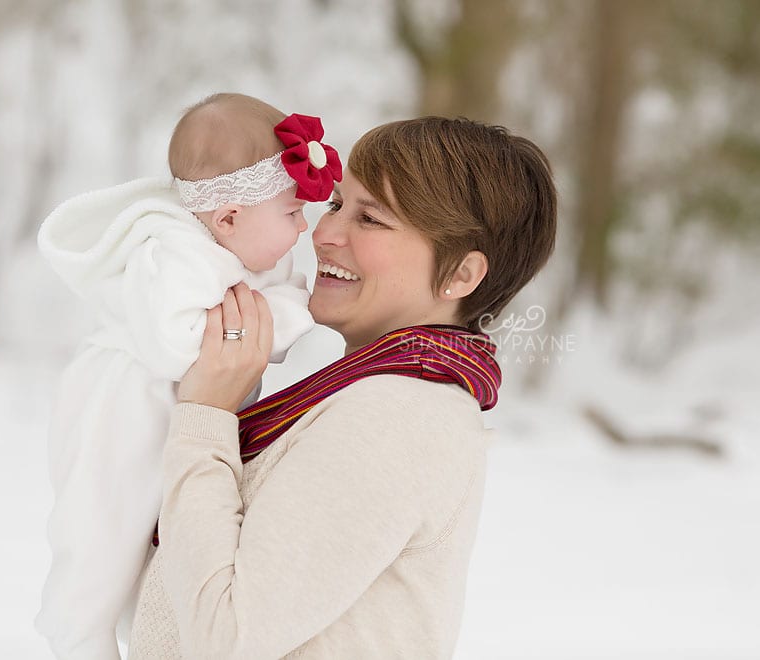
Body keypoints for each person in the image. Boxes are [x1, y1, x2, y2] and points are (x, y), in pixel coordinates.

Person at [125, 116, 557, 659]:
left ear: (462, 276)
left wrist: (206, 418)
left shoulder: (399, 416)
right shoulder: (381, 396)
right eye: (335, 204)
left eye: (371, 219)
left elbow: (227, 638)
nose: (323, 232)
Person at [34, 93, 343, 660]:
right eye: (292, 213)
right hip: (119, 408)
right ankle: (76, 631)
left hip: (165, 411)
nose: (304, 228)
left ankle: (135, 629)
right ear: (228, 217)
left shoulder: (239, 244)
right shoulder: (176, 255)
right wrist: (285, 314)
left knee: (150, 539)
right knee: (102, 528)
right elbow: (185, 344)